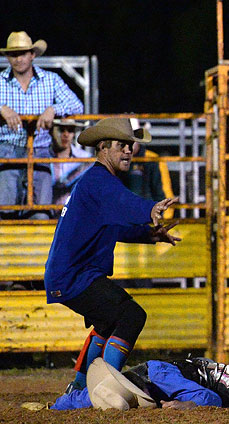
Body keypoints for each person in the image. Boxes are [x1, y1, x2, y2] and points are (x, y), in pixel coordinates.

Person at [44, 117, 181, 395]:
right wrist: (150, 208)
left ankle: (80, 386)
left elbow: (113, 226)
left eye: (130, 145)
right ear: (104, 147)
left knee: (108, 321)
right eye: (122, 145)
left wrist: (148, 234)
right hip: (76, 276)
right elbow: (124, 202)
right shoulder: (99, 181)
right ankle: (105, 387)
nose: (129, 150)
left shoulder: (95, 182)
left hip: (70, 275)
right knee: (131, 316)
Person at [0, 31, 84, 219]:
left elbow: (77, 105)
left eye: (22, 53)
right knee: (4, 212)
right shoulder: (0, 82)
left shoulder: (50, 80)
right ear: (7, 57)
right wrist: (1, 109)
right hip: (6, 152)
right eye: (13, 54)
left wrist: (53, 109)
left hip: (40, 151)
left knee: (41, 213)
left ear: (32, 55)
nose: (18, 59)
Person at [51, 357, 229, 410]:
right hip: (192, 376)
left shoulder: (161, 377)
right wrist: (51, 408)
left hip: (215, 379)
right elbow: (70, 400)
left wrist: (185, 405)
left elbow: (211, 399)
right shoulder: (102, 393)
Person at [49, 118, 92, 213]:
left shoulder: (85, 159)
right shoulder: (42, 157)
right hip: (48, 214)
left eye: (70, 130)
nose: (66, 134)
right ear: (52, 131)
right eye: (61, 130)